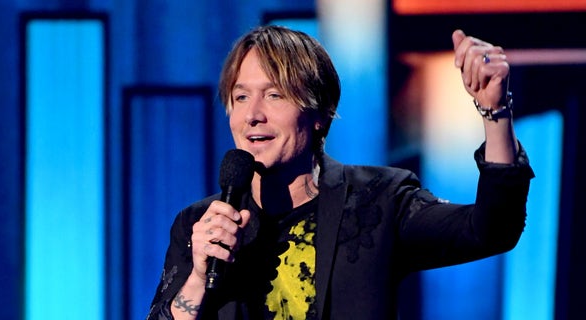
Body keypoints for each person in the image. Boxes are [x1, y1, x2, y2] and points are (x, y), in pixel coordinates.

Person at [146, 25, 534, 320]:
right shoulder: (199, 225)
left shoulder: (378, 201)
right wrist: (198, 276)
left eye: (275, 94)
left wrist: (495, 114)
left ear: (318, 114)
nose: (252, 115)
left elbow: (491, 230)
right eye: (241, 96)